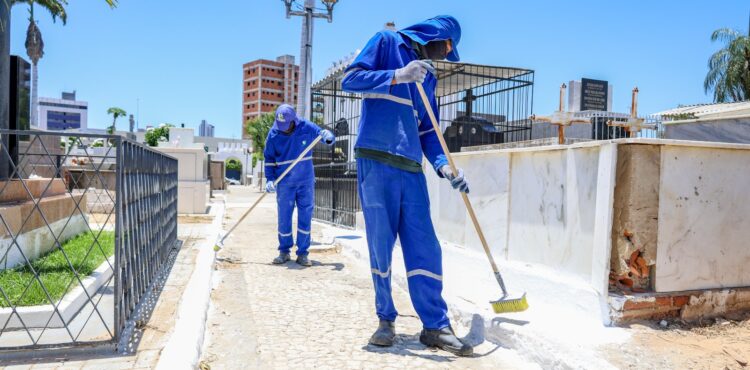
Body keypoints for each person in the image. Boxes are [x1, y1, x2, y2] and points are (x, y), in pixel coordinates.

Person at [341, 16, 472, 356]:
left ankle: (435, 326)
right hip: (376, 159)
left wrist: (444, 166)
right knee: (380, 245)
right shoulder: (386, 43)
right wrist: (397, 76)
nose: (446, 55)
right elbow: (351, 80)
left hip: (411, 168)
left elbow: (429, 130)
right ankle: (385, 320)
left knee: (425, 247)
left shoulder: (429, 78)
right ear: (438, 37)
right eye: (448, 48)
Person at [264, 104, 335, 267]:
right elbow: (269, 158)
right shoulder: (273, 134)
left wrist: (328, 136)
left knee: (305, 217)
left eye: (286, 125)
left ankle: (303, 253)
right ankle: (284, 251)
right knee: (284, 218)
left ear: (293, 121)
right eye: (280, 125)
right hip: (285, 183)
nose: (282, 129)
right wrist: (269, 179)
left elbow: (324, 137)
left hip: (305, 182)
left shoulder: (305, 126)